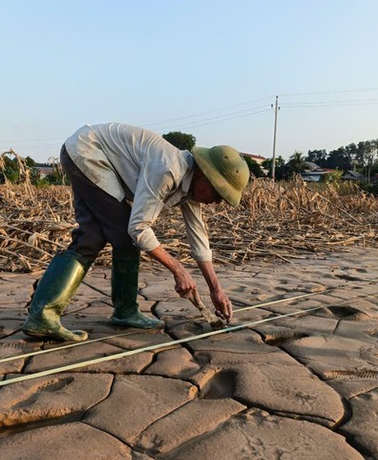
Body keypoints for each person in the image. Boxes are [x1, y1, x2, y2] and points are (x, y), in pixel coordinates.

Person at [22, 123, 250, 342]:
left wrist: (216, 289)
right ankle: (121, 312)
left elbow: (199, 240)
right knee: (125, 237)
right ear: (205, 175)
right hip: (88, 152)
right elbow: (138, 228)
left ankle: (44, 314)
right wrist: (178, 269)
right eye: (219, 193)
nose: (217, 202)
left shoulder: (191, 186)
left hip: (79, 151)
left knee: (91, 237)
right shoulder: (168, 168)